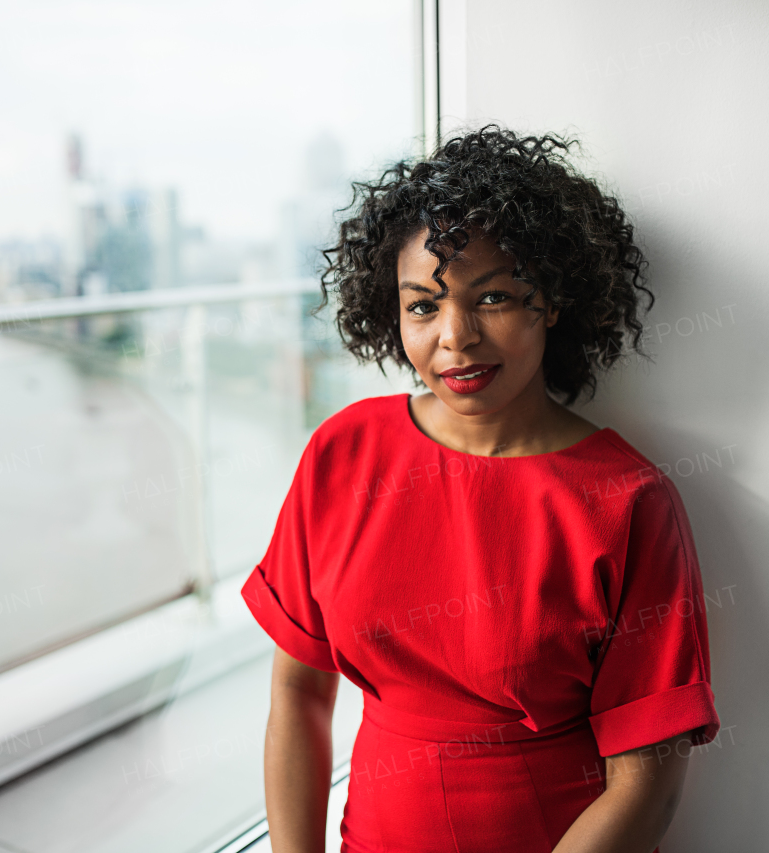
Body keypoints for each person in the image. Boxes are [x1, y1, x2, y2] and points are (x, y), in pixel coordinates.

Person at [242, 125, 720, 853]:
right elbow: (299, 693)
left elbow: (646, 782)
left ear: (551, 301)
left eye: (492, 297)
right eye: (423, 305)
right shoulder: (342, 453)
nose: (455, 337)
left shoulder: (629, 500)